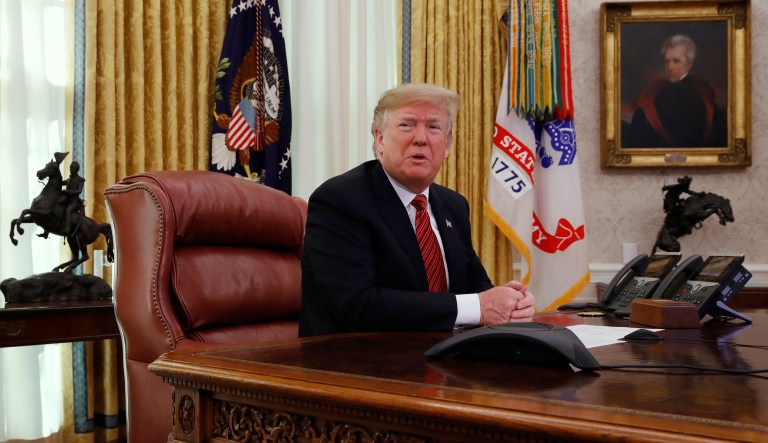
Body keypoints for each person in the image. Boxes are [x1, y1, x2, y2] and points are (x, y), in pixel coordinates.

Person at [299, 83, 535, 337]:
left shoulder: (453, 206)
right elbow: (357, 305)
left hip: (441, 358)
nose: (421, 138)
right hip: (354, 364)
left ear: (446, 147)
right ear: (379, 139)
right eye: (407, 125)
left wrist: (510, 303)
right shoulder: (340, 199)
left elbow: (474, 286)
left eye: (433, 127)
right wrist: (479, 306)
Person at [625, 34, 727, 148]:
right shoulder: (659, 88)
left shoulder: (699, 91)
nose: (669, 67)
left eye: (676, 61)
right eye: (667, 61)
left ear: (689, 64)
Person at [61, 161, 85, 234]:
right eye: (70, 167)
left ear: (76, 169)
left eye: (72, 167)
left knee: (68, 210)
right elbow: (60, 182)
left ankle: (67, 229)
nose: (71, 169)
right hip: (66, 199)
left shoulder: (80, 179)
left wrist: (68, 192)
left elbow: (79, 191)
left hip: (74, 201)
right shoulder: (68, 180)